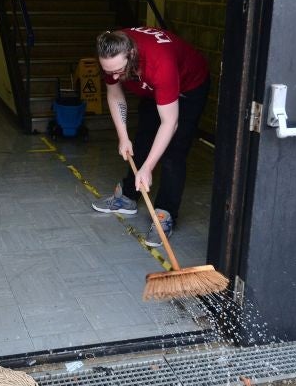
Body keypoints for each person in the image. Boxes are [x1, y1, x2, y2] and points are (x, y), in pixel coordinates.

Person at [90, 27, 210, 247]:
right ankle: (127, 197)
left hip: (189, 86)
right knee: (142, 139)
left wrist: (148, 167)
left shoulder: (159, 63)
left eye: (119, 70)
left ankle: (165, 213)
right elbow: (114, 94)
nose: (114, 76)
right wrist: (123, 137)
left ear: (132, 55)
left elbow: (169, 123)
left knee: (174, 153)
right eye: (109, 72)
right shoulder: (112, 51)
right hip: (152, 87)